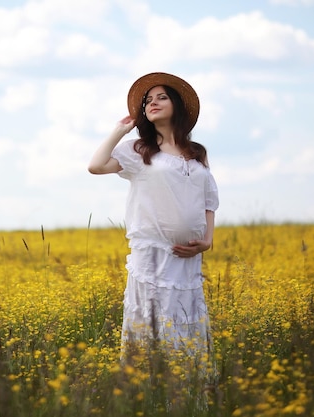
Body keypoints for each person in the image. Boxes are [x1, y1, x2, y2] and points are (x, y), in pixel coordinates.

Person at [88, 72, 219, 360]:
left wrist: (207, 240)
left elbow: (209, 200)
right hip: (152, 256)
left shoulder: (196, 153)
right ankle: (147, 396)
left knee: (185, 330)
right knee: (150, 327)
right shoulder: (138, 150)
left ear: (177, 106)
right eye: (148, 100)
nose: (153, 103)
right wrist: (119, 130)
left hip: (188, 259)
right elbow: (96, 166)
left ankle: (185, 400)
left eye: (162, 97)